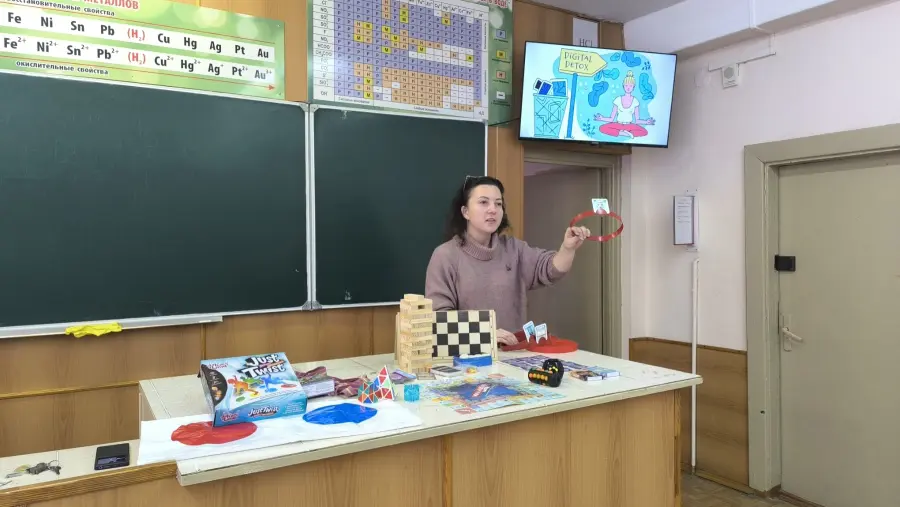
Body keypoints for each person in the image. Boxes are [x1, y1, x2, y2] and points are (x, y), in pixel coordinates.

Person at [424, 175, 590, 346]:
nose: (493, 209)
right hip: (469, 356)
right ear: (465, 212)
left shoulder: (514, 249)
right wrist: (485, 333)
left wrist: (567, 248)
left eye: (498, 204)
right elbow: (439, 318)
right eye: (483, 202)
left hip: (513, 353)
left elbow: (550, 269)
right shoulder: (445, 255)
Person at [593, 70, 655, 138]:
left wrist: (646, 122)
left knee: (644, 132)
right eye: (626, 85)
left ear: (633, 87)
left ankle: (624, 132)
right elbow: (611, 119)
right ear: (623, 86)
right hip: (618, 125)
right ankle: (625, 133)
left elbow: (637, 120)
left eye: (630, 86)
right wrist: (601, 118)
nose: (628, 88)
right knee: (602, 128)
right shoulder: (618, 100)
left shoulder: (635, 101)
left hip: (629, 125)